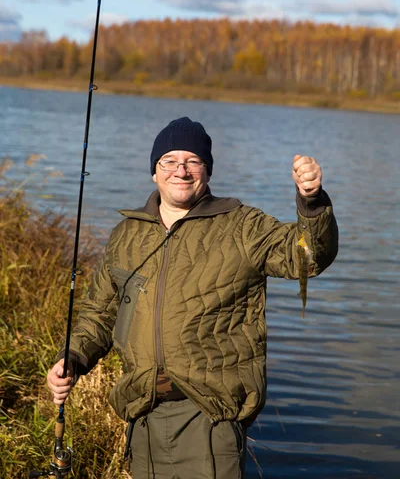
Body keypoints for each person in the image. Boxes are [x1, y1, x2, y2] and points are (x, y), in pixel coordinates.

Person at [47, 117, 339, 479]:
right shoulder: (127, 234)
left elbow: (309, 257)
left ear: (207, 170)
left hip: (210, 421)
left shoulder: (242, 226)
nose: (180, 171)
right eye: (169, 161)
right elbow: (100, 314)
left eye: (192, 161)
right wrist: (72, 357)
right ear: (154, 172)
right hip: (143, 417)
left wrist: (311, 204)